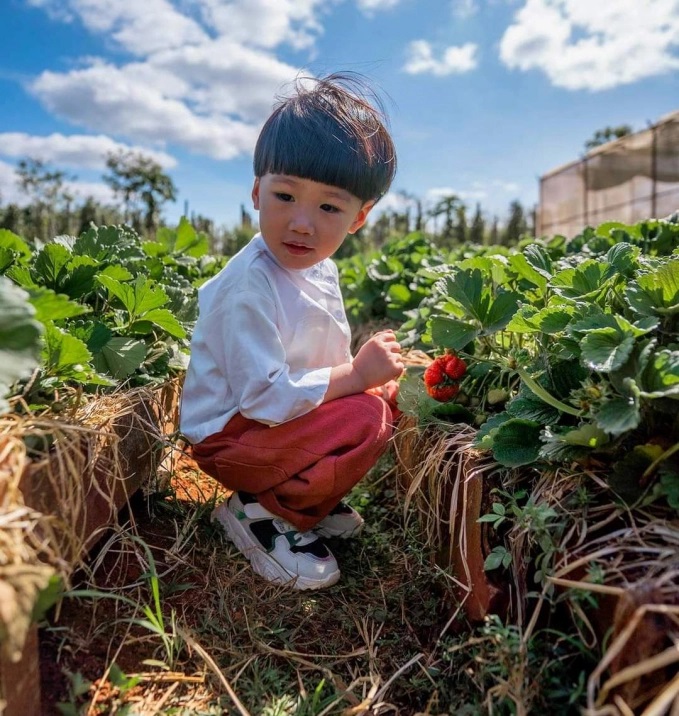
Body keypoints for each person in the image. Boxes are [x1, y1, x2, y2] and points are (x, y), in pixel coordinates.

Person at [179, 72, 403, 590]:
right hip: (231, 434)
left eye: (328, 206)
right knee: (364, 414)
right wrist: (353, 378)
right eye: (285, 196)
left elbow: (320, 360)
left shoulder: (317, 268)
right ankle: (259, 511)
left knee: (379, 401)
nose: (301, 223)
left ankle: (301, 498)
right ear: (257, 193)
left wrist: (363, 379)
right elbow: (261, 397)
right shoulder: (249, 286)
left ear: (358, 219)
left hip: (270, 423)